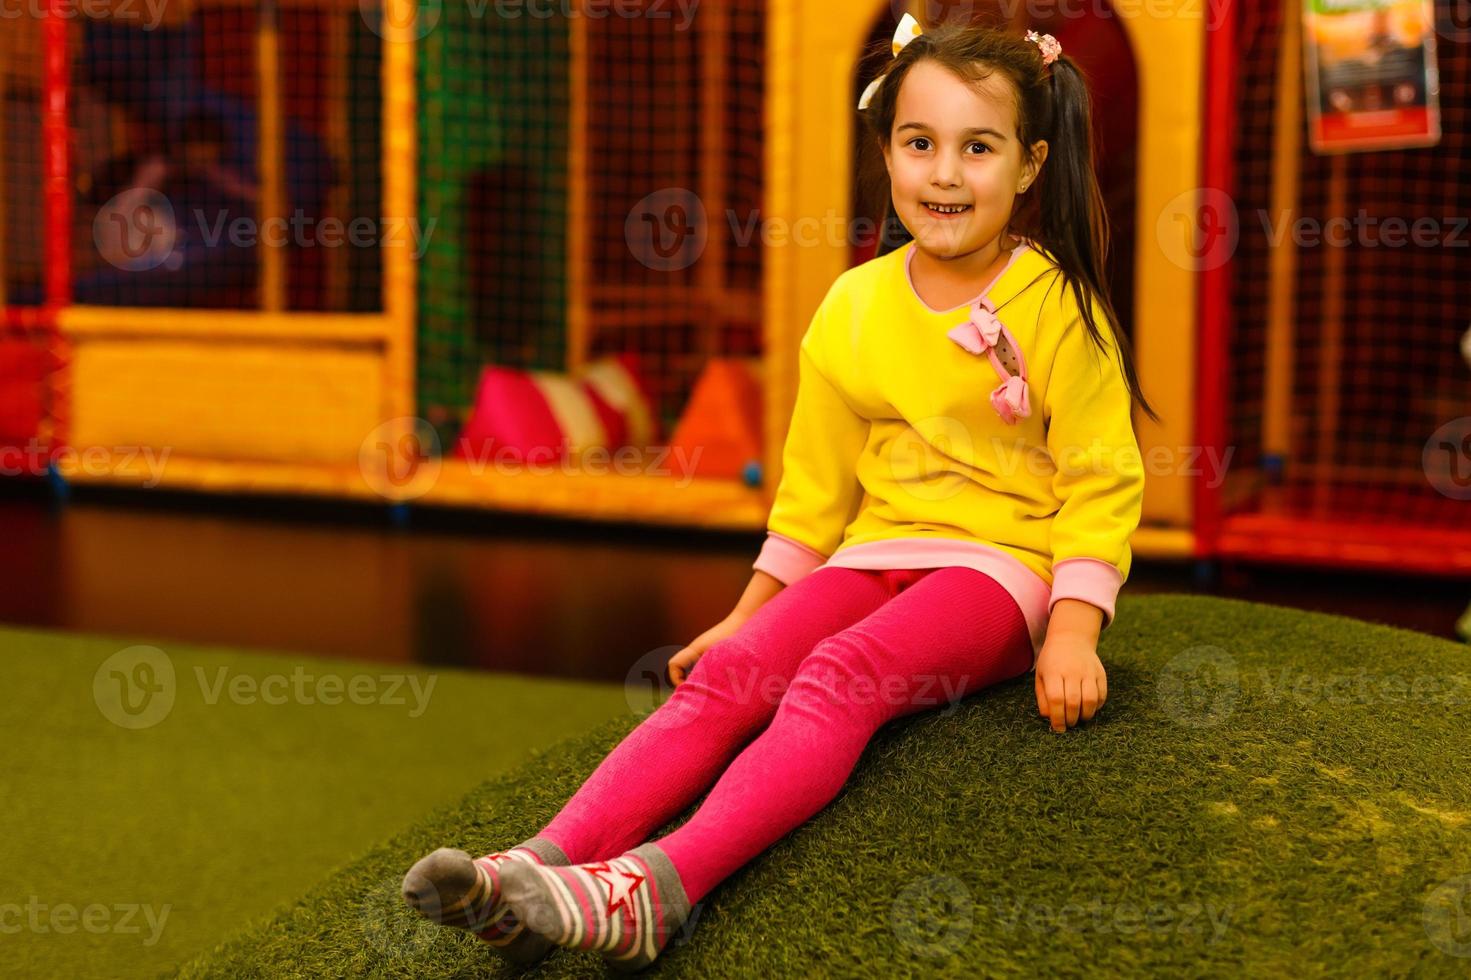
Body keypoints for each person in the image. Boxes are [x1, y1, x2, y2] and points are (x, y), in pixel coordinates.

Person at [400, 15, 1155, 972]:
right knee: (729, 675)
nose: (946, 175)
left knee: (839, 675)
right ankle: (534, 871)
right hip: (876, 552)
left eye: (979, 147)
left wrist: (1078, 627)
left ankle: (656, 888)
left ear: (1030, 163)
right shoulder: (853, 304)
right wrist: (750, 613)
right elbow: (813, 488)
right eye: (919, 144)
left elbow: (1100, 475)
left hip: (1005, 573)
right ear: (885, 151)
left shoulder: (1056, 305)